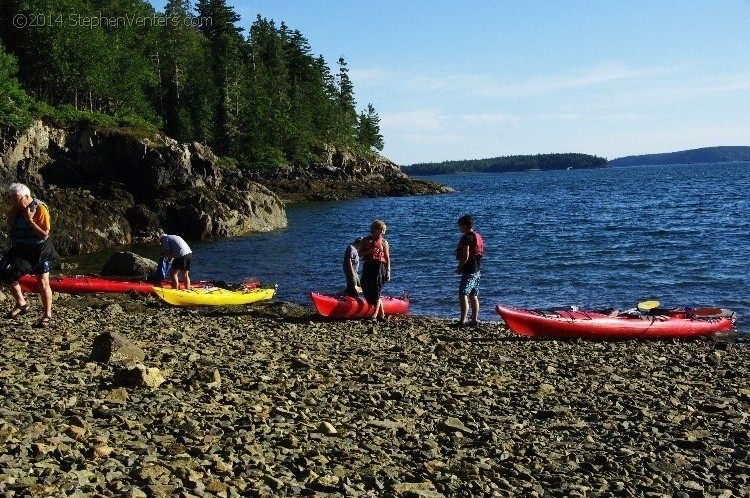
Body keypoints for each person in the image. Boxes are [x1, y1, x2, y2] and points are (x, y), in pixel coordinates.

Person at [3, 183, 58, 327]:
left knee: (43, 282)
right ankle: (21, 303)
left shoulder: (40, 209)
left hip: (39, 250)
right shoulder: (15, 210)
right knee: (4, 270)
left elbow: (44, 234)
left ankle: (47, 315)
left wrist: (30, 220)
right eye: (13, 199)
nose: (15, 202)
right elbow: (11, 228)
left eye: (17, 199)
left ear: (26, 197)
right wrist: (13, 216)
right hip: (20, 249)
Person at [454, 214, 484, 327]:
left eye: (460, 226)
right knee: (473, 295)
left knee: (463, 294)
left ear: (465, 225)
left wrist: (459, 267)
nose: (459, 228)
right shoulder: (476, 236)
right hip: (477, 270)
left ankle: (462, 321)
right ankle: (474, 320)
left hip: (469, 271)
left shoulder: (467, 237)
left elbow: (465, 256)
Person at [359, 220, 390, 321]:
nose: (382, 233)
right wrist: (370, 251)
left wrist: (388, 271)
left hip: (379, 267)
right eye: (381, 231)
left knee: (376, 290)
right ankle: (382, 314)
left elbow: (387, 258)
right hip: (368, 266)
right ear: (375, 229)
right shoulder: (365, 240)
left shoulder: (384, 242)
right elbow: (360, 254)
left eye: (383, 231)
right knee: (364, 285)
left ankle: (374, 315)